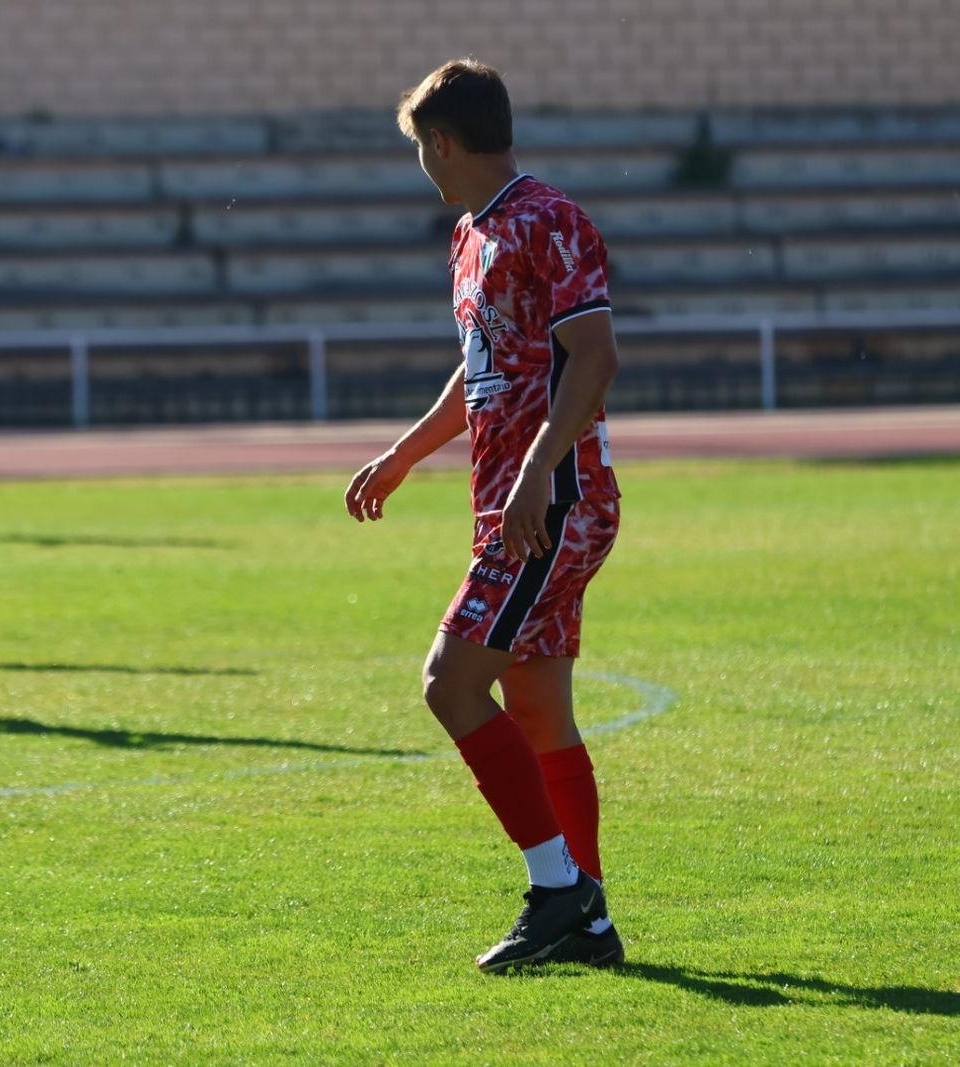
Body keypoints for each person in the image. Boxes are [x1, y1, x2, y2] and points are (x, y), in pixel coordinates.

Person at [344, 59, 624, 974]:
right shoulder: (471, 234)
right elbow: (484, 370)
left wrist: (540, 470)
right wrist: (404, 454)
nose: (420, 162)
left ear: (443, 141)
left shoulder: (549, 218)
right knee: (538, 709)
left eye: (419, 147)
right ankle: (588, 922)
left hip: (555, 499)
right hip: (517, 500)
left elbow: (595, 356)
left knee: (448, 682)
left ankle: (558, 888)